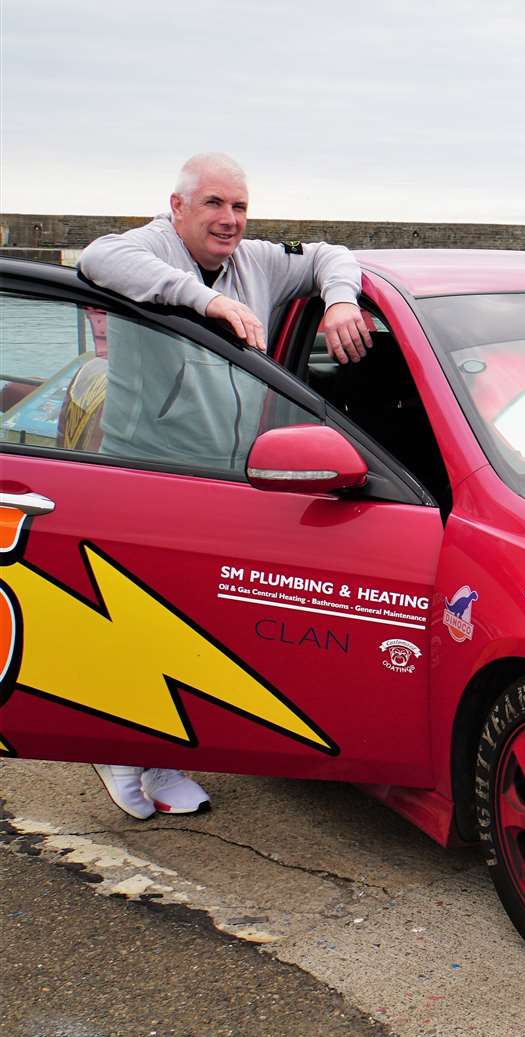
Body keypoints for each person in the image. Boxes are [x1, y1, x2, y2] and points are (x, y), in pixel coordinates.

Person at [75, 151, 372, 819]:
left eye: (239, 206)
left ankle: (169, 759)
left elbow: (332, 255)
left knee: (198, 620)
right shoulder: (148, 248)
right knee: (138, 617)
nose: (229, 219)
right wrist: (204, 301)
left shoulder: (258, 261)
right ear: (178, 207)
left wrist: (340, 301)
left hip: (228, 476)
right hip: (148, 467)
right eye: (213, 204)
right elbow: (97, 260)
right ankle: (119, 745)